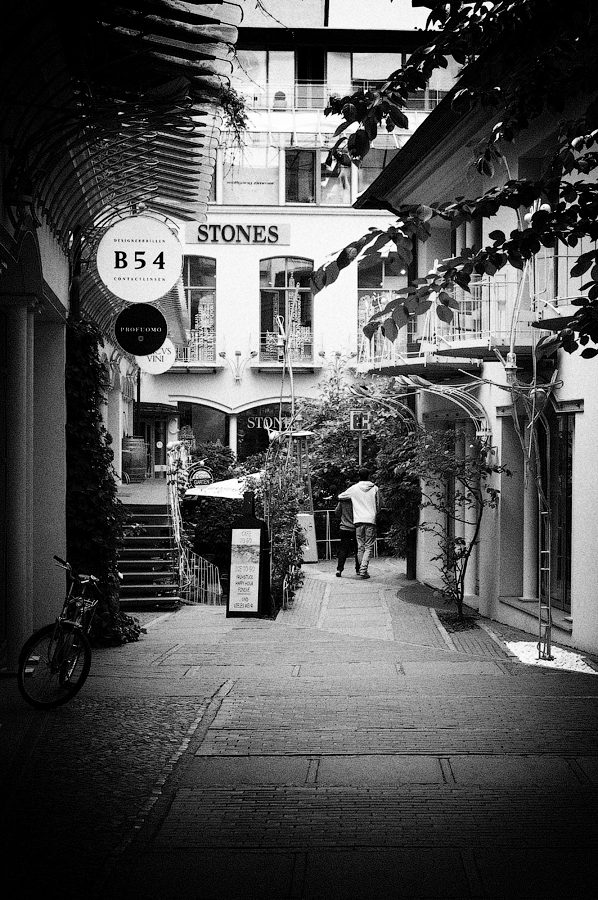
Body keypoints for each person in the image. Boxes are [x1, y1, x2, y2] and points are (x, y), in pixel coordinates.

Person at [338, 469, 379, 579]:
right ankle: (363, 570)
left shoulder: (354, 489)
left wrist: (354, 498)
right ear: (369, 475)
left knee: (360, 546)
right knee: (368, 547)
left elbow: (340, 496)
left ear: (359, 476)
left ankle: (362, 569)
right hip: (371, 520)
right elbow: (379, 504)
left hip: (358, 521)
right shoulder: (375, 488)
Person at [333, 493, 359, 577]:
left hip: (344, 528)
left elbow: (337, 512)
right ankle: (359, 569)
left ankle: (339, 569)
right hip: (356, 528)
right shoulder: (357, 501)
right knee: (358, 549)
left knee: (343, 549)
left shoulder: (342, 502)